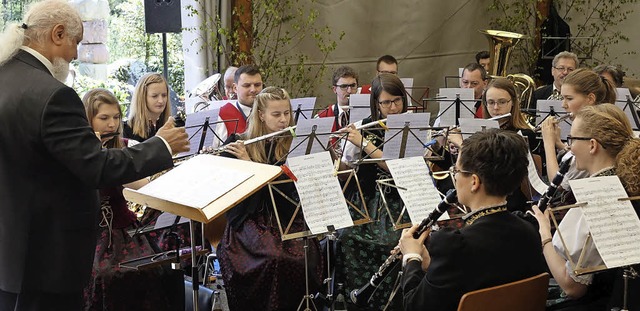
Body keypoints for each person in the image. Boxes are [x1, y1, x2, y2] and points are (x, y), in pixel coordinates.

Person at [0, 1, 189, 309]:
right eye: (76, 42)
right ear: (58, 34)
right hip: (46, 256)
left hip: (11, 250)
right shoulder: (52, 95)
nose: (75, 54)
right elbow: (97, 167)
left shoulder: (5, 76)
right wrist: (162, 145)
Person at [400, 129, 546, 311]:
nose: (455, 176)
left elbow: (414, 306)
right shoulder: (529, 227)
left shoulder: (454, 244)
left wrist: (411, 257)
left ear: (474, 182)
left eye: (457, 170)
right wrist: (433, 264)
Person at [216, 87, 323, 311]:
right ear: (261, 115)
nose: (284, 120)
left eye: (287, 113)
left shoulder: (294, 144)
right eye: (276, 115)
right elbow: (235, 200)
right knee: (274, 258)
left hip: (286, 217)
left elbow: (290, 195)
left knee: (304, 255)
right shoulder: (238, 145)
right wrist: (246, 164)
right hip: (249, 221)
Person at [81, 89, 183, 310]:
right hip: (94, 236)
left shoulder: (124, 148)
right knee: (104, 277)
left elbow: (144, 186)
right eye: (104, 118)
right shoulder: (81, 155)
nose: (112, 125)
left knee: (157, 271)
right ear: (88, 119)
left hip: (125, 232)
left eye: (116, 117)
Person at [533, 103, 640, 310]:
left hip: (601, 302)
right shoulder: (629, 181)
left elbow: (572, 287)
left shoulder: (596, 197)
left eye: (572, 139)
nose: (569, 146)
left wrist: (544, 233)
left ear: (592, 145)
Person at [337, 73, 409, 309]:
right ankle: (358, 298)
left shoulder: (412, 126)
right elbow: (345, 169)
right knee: (347, 237)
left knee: (392, 241)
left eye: (397, 100)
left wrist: (363, 143)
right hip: (368, 199)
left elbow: (394, 165)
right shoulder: (361, 128)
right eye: (386, 103)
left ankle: (394, 301)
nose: (393, 108)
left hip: (400, 198)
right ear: (375, 104)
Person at [540, 68, 616, 190]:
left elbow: (560, 185)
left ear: (590, 99)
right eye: (563, 98)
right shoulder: (591, 125)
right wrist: (559, 143)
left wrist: (548, 143)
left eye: (569, 99)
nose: (563, 105)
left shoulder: (592, 130)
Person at [480, 78, 541, 211]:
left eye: (502, 102)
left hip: (511, 203)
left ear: (513, 102)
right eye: (491, 102)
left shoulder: (524, 133)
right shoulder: (480, 131)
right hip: (483, 198)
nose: (496, 108)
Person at [211, 64, 263, 148]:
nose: (253, 90)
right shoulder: (222, 115)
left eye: (257, 85)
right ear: (235, 88)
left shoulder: (270, 110)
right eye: (247, 85)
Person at [123, 73, 171, 142]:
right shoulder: (127, 131)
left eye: (164, 95)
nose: (161, 101)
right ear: (142, 98)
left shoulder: (173, 125)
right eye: (154, 96)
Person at [315, 65, 359, 132]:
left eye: (353, 86)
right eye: (344, 86)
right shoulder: (321, 118)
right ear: (334, 89)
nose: (349, 91)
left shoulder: (368, 115)